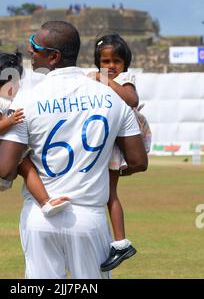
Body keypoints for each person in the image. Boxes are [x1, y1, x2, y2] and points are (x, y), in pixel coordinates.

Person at [0, 21, 148, 279]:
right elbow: (138, 160)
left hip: (41, 217)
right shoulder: (112, 97)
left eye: (36, 46)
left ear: (54, 57)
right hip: (89, 219)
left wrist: (19, 161)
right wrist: (101, 169)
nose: (31, 51)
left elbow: (5, 169)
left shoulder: (26, 99)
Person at [0, 51, 69, 216]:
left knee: (29, 166)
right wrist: (11, 120)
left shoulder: (6, 100)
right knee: (27, 166)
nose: (17, 86)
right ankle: (45, 202)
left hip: (2, 147)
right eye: (12, 83)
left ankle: (46, 199)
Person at [89, 33, 152, 272]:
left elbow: (131, 99)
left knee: (109, 194)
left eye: (116, 61)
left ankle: (120, 242)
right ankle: (112, 240)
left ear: (125, 63)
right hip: (106, 137)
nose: (111, 66)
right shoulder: (95, 78)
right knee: (105, 192)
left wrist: (103, 80)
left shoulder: (125, 78)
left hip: (120, 139)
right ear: (98, 62)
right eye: (105, 62)